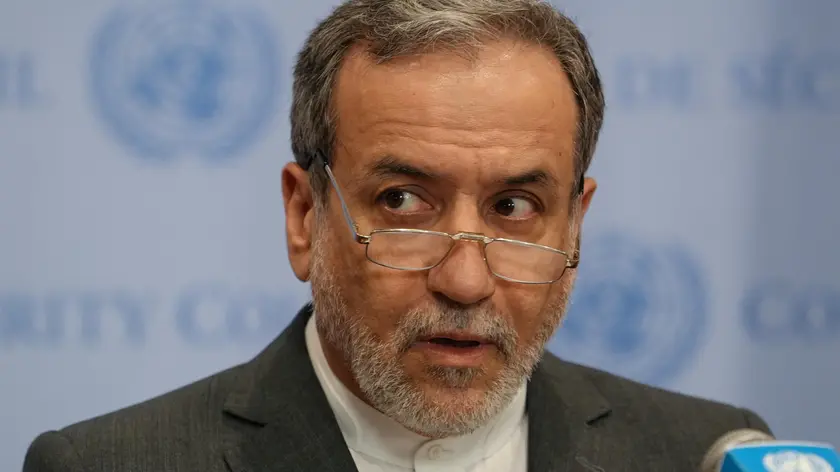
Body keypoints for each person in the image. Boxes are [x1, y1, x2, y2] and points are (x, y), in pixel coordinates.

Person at [23, 0, 772, 471]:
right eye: (404, 200)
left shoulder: (705, 454)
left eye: (515, 207)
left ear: (575, 227)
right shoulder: (109, 464)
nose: (467, 281)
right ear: (304, 216)